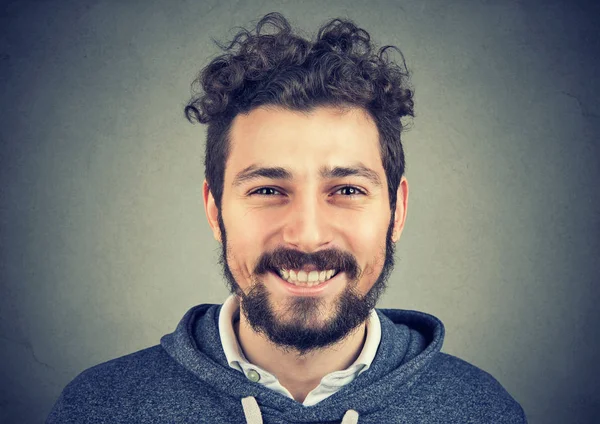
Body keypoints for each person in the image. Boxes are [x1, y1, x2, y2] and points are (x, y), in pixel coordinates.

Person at [47, 12, 526, 423]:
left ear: (397, 211)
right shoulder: (99, 408)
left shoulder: (482, 411)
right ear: (215, 210)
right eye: (269, 189)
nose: (307, 234)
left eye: (346, 189)